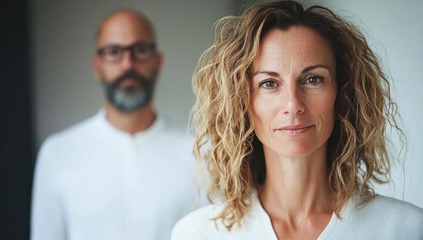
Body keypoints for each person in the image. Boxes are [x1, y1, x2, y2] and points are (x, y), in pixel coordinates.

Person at [171, 1, 423, 239]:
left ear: (343, 93)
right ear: (241, 102)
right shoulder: (198, 233)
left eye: (313, 79)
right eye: (268, 83)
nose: (293, 104)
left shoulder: (405, 228)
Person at [31, 9, 201, 240]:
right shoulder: (57, 153)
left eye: (140, 50)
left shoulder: (200, 152)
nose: (127, 64)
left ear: (157, 62)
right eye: (114, 52)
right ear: (97, 65)